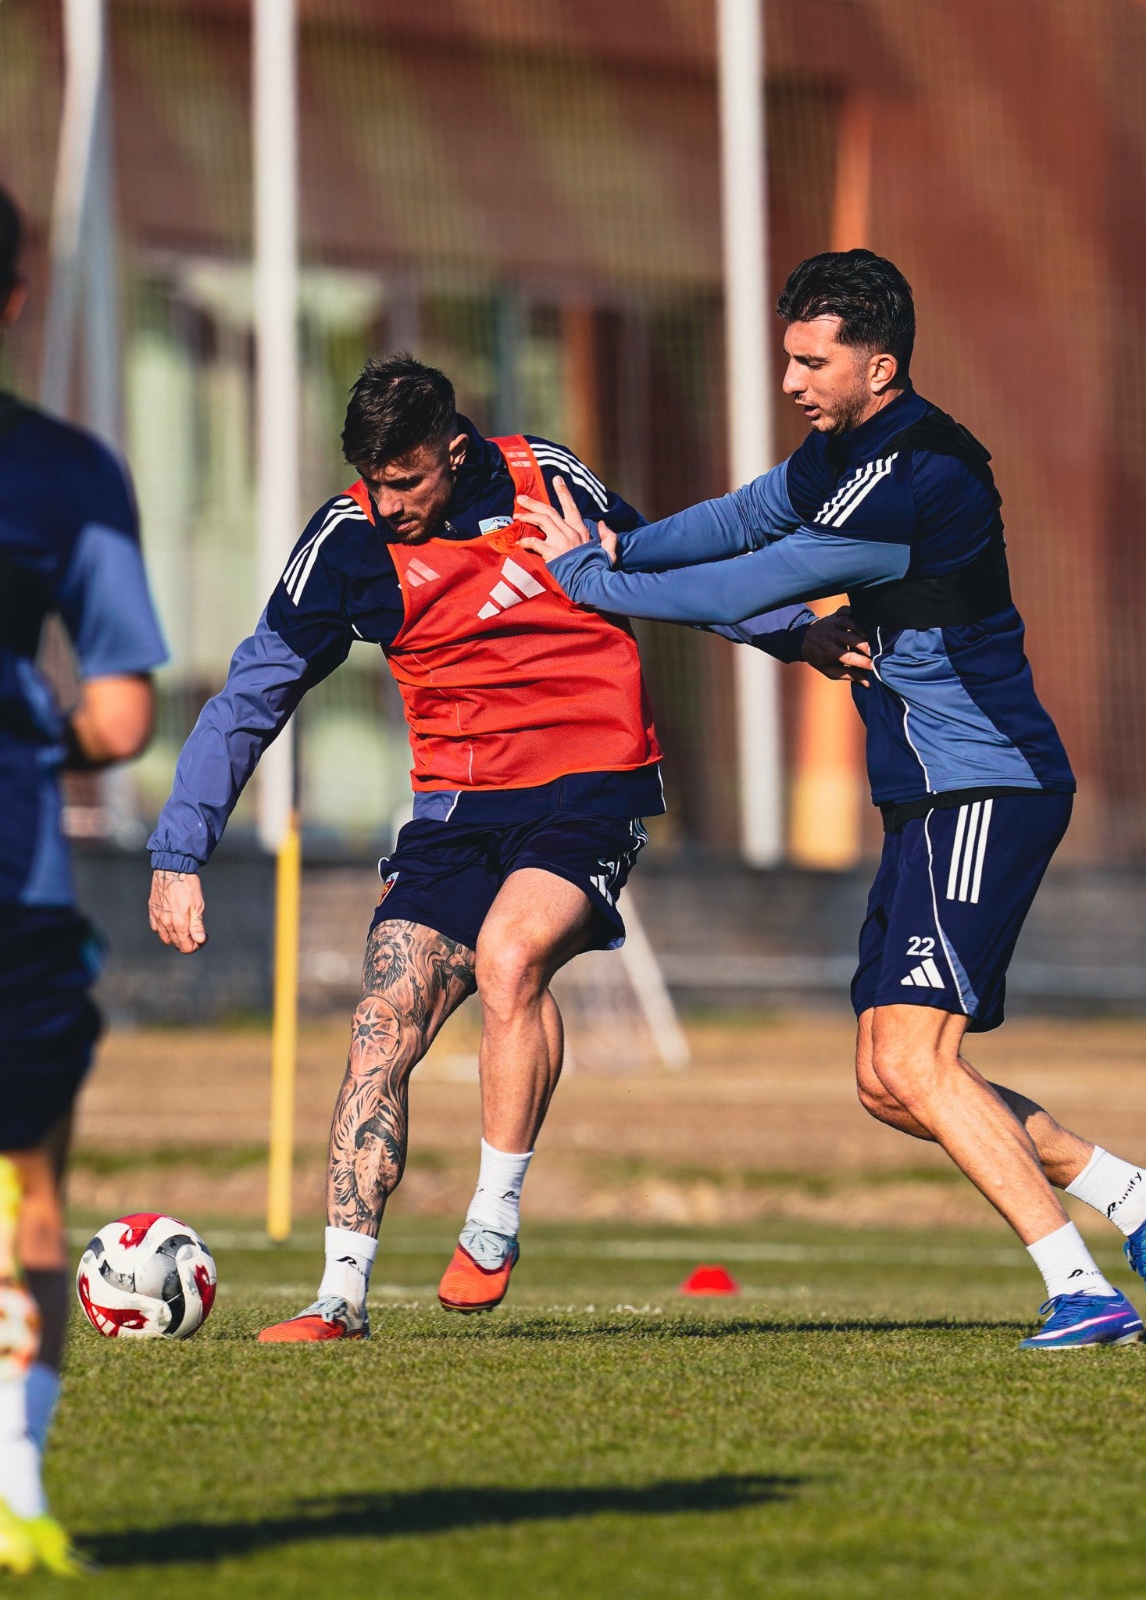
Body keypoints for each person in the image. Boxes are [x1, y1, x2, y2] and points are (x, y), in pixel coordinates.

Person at [516, 248, 1146, 1351]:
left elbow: (757, 579)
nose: (790, 380)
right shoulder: (845, 449)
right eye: (787, 357)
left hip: (985, 786)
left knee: (919, 1059)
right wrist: (622, 543)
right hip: (927, 796)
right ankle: (1145, 1200)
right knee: (889, 1078)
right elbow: (742, 518)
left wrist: (596, 581)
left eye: (811, 362)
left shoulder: (919, 474)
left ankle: (1082, 1292)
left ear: (880, 366)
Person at [146, 353, 862, 1341]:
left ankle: (491, 1221)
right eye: (372, 482)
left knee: (511, 953)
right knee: (381, 1023)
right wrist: (180, 850)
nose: (387, 503)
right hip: (456, 812)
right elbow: (254, 690)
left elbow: (664, 565)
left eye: (405, 481)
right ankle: (339, 1299)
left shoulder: (544, 479)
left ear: (454, 449)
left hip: (589, 783)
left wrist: (796, 632)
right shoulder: (348, 541)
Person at [0, 187, 166, 1572]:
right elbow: (118, 713)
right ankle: (18, 1494)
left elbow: (120, 712)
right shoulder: (66, 472)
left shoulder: (69, 472)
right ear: (18, 297)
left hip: (22, 897)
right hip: (23, 889)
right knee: (31, 1193)